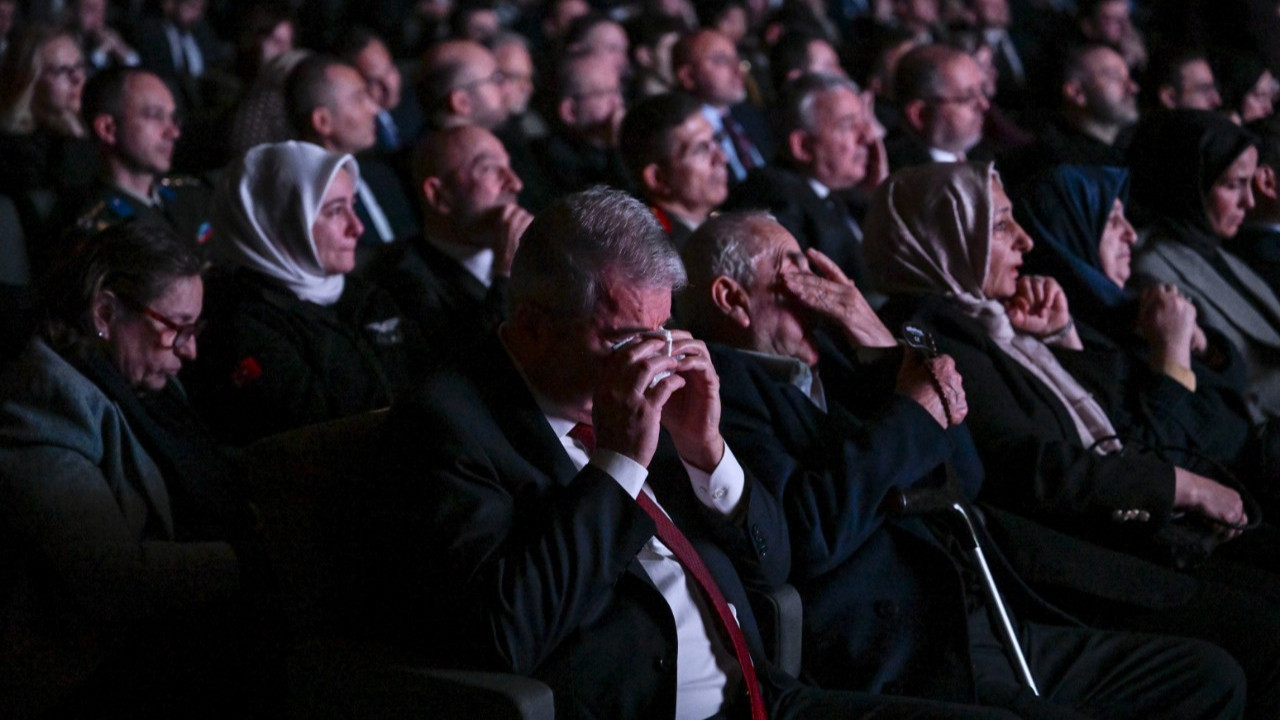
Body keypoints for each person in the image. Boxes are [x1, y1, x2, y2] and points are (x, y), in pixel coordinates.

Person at [362, 185, 1087, 720]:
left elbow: (772, 564)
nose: (650, 359)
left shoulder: (657, 393)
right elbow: (503, 633)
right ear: (532, 327)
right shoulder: (447, 425)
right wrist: (618, 465)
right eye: (622, 339)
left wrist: (706, 451)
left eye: (660, 332)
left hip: (767, 694)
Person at [678, 209, 1250, 719]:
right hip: (910, 651)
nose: (822, 287)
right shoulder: (721, 393)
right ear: (733, 298)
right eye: (794, 268)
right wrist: (910, 412)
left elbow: (966, 476)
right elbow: (807, 534)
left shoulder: (833, 357)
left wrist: (875, 340)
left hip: (983, 613)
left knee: (1210, 677)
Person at [0, 222, 277, 718]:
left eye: (195, 330)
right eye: (177, 328)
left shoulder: (144, 384)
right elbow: (115, 578)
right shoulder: (45, 404)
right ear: (105, 313)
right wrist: (261, 559)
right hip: (105, 675)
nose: (190, 351)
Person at [1017, 163, 1280, 505]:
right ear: (1073, 231)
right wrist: (1173, 355)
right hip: (1236, 490)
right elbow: (1148, 459)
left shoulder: (1122, 305)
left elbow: (1233, 390)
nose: (1130, 233)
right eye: (1112, 221)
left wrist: (1204, 347)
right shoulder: (1063, 335)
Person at [185, 141, 420, 446]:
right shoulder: (240, 327)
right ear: (279, 221)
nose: (357, 227)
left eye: (353, 205)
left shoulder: (367, 294)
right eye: (336, 211)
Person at [1129, 109, 1280, 422]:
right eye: (1234, 185)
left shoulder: (1216, 250)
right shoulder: (1154, 272)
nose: (1249, 201)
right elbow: (1232, 392)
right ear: (1190, 182)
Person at [373, 125, 531, 358]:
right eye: (489, 169)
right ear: (439, 196)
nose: (515, 183)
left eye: (508, 167)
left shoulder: (537, 250)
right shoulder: (404, 281)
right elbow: (479, 362)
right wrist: (505, 272)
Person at [727, 72, 884, 288]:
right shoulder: (774, 197)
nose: (867, 137)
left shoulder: (847, 195)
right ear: (802, 146)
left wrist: (879, 199)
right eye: (849, 126)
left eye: (864, 123)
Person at [55, 66, 212, 276]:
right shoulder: (98, 230)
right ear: (108, 129)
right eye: (155, 116)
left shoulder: (191, 194)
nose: (173, 132)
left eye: (173, 118)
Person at [285, 54, 418, 257]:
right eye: (358, 98)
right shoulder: (304, 205)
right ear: (322, 121)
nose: (374, 108)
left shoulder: (383, 172)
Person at [619, 91, 728, 249]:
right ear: (657, 178)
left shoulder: (716, 224)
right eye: (700, 150)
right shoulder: (661, 253)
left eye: (715, 140)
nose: (722, 158)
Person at [0, 24, 96, 201]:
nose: (77, 78)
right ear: (30, 79)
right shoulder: (16, 150)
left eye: (79, 66)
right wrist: (76, 140)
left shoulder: (92, 121)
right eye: (62, 70)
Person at [673, 29, 772, 185]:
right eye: (721, 60)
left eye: (737, 59)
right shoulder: (680, 133)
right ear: (688, 76)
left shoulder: (751, 115)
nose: (738, 70)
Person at [883, 43, 992, 170]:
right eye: (968, 98)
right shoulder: (896, 173)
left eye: (981, 91)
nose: (984, 105)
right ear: (919, 115)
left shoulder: (983, 158)